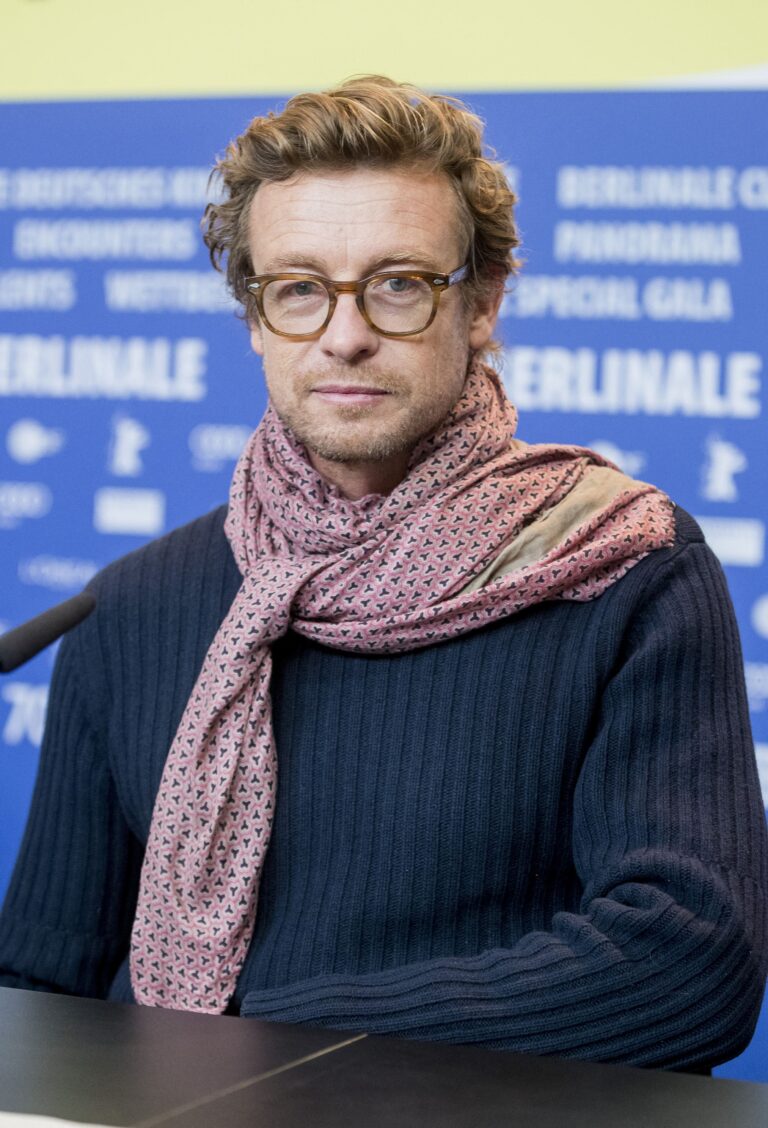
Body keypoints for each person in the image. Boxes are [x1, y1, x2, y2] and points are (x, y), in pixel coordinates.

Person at [0, 76, 766, 1072]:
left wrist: (258, 1045)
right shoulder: (132, 604)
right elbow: (41, 988)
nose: (345, 332)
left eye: (399, 283)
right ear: (256, 317)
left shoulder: (624, 566)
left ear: (483, 301)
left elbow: (686, 968)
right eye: (300, 289)